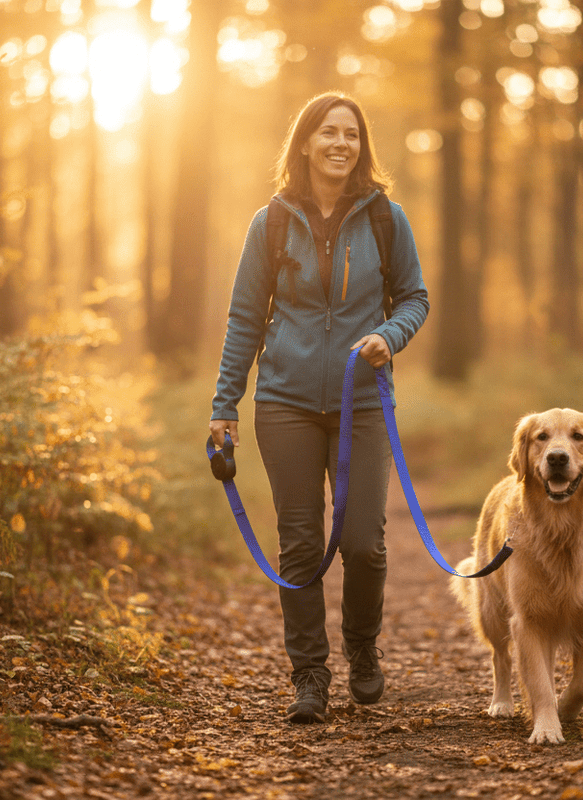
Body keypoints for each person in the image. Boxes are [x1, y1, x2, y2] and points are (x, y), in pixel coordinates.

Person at [209, 92, 429, 723]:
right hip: (285, 402)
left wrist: (389, 335)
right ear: (304, 142)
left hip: (361, 402)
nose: (340, 143)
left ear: (361, 147)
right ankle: (309, 674)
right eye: (328, 132)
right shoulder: (270, 222)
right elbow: (246, 318)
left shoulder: (386, 218)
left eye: (352, 134)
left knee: (364, 543)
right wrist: (225, 403)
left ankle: (362, 650)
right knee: (301, 545)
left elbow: (414, 297)